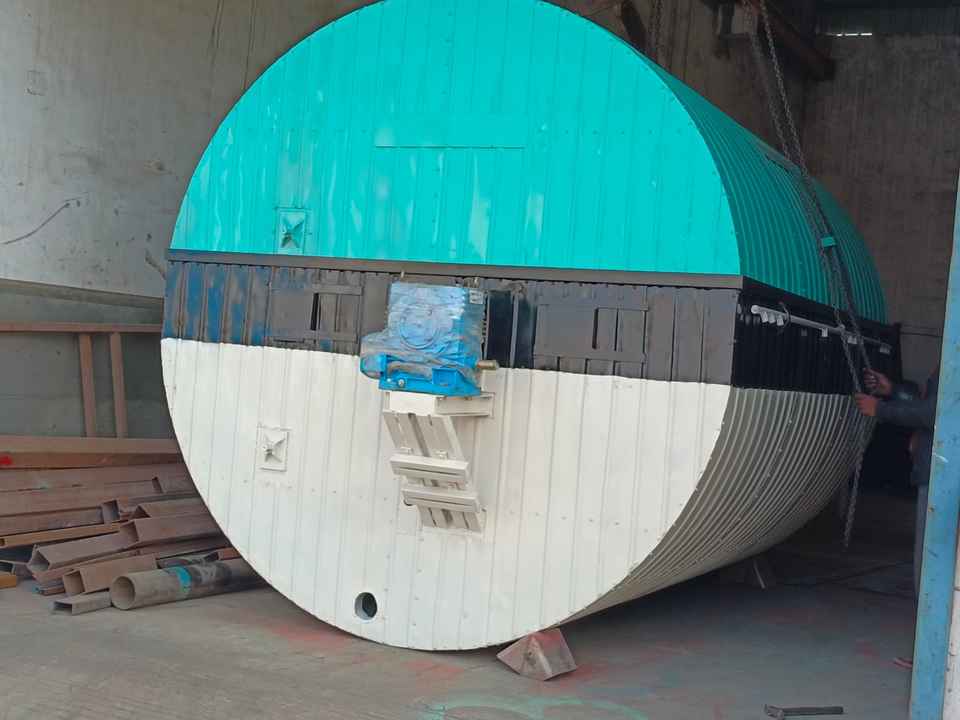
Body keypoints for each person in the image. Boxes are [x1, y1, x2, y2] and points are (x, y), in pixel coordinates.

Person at [854, 366, 940, 596]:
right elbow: (927, 405)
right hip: (932, 470)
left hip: (940, 474)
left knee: (930, 557)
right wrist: (894, 390)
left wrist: (880, 409)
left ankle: (929, 614)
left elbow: (932, 413)